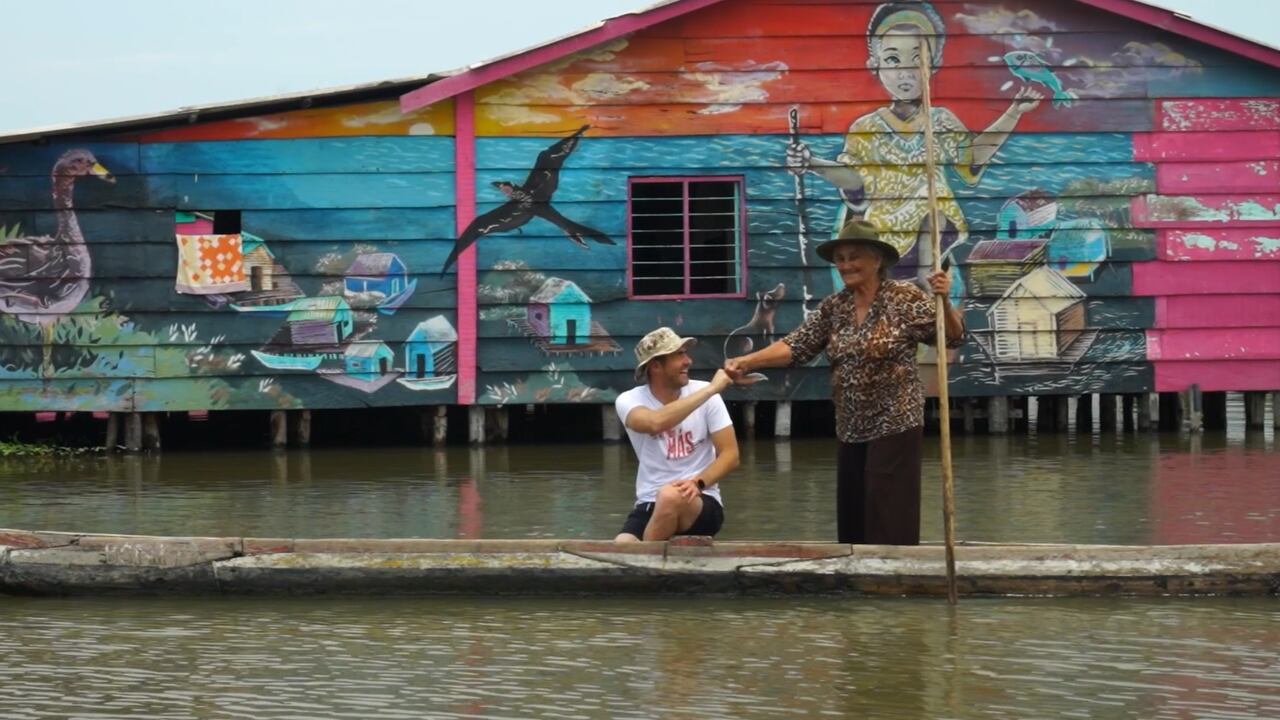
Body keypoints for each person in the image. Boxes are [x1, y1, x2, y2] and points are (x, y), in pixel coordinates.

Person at [724, 221, 964, 545]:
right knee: (853, 515)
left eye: (854, 257)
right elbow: (797, 345)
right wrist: (747, 361)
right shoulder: (835, 307)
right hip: (850, 424)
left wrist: (945, 302)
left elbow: (951, 337)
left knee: (887, 514)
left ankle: (891, 580)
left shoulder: (903, 298)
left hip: (895, 420)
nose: (846, 265)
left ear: (876, 260)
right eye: (840, 258)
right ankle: (857, 586)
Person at [786, 1, 1042, 288]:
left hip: (931, 224)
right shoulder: (866, 128)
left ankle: (926, 289)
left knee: (930, 217)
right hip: (883, 227)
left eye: (917, 59)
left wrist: (1013, 113)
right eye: (894, 60)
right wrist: (813, 163)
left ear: (932, 65)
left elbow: (970, 160)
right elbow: (854, 181)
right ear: (875, 65)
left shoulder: (940, 121)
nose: (906, 72)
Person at [614, 327, 739, 542]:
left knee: (670, 496)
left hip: (701, 499)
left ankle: (645, 570)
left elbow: (730, 455)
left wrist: (698, 483)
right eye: (679, 355)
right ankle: (647, 566)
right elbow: (655, 422)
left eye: (686, 353)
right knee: (622, 543)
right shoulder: (628, 400)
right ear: (655, 366)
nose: (688, 361)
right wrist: (711, 390)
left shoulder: (706, 394)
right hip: (649, 502)